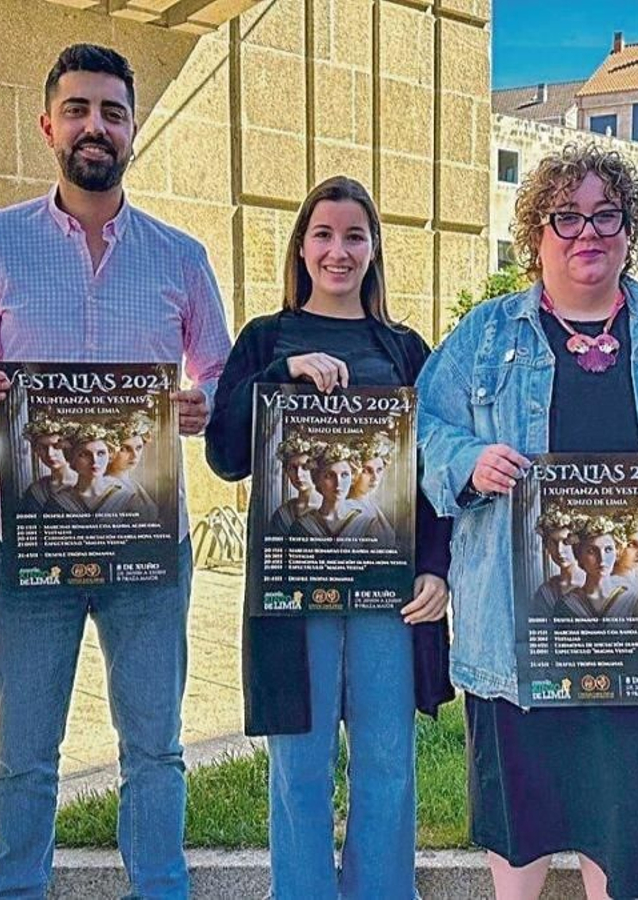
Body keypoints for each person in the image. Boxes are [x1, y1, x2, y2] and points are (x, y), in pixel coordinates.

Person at [417, 143, 638, 900]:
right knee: (522, 815)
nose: (587, 233)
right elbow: (424, 431)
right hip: (517, 629)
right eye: (566, 217)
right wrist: (468, 461)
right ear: (536, 233)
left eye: (606, 215)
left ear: (630, 231)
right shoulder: (486, 336)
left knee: (631, 826)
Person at [0, 43, 231, 899]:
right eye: (77, 110)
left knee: (155, 748)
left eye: (112, 112)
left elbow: (221, 372)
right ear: (49, 126)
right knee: (25, 752)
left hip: (148, 547)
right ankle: (14, 890)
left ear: (133, 129)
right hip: (32, 543)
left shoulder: (181, 255)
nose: (94, 127)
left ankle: (160, 889)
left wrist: (203, 403)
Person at [204, 175, 453, 898]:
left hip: (387, 595)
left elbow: (434, 470)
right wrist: (279, 376)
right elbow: (224, 455)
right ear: (301, 246)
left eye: (354, 236)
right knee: (300, 768)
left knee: (387, 764)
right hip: (294, 597)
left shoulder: (405, 350)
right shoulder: (266, 339)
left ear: (373, 250)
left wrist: (437, 567)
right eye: (323, 234)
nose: (338, 251)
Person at [555, 511, 638, 627]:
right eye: (592, 551)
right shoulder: (566, 605)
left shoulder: (635, 602)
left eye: (608, 550)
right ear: (579, 555)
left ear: (617, 552)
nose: (602, 559)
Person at [293, 441, 396, 543]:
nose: (338, 483)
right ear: (317, 480)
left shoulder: (367, 524)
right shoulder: (302, 526)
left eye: (344, 475)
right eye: (329, 476)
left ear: (352, 477)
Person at [531, 507, 583, 614]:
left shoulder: (594, 583)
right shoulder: (545, 593)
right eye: (554, 543)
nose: (560, 550)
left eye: (565, 542)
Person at [269, 430, 319, 534]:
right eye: (293, 468)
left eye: (305, 467)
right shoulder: (282, 514)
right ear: (286, 471)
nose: (299, 474)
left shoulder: (329, 508)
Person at [23, 413, 76, 506]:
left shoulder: (87, 483)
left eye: (56, 446)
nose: (50, 454)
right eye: (43, 447)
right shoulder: (36, 491)